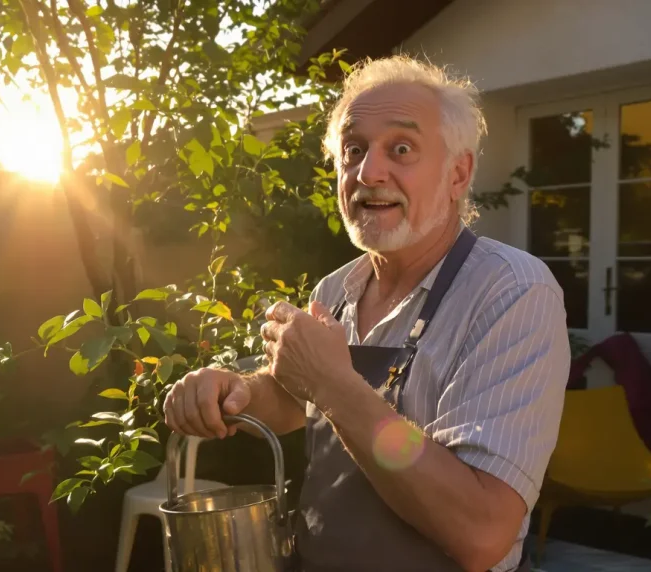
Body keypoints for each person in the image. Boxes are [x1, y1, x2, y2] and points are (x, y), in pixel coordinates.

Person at [162, 54, 571, 572]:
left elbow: (482, 531)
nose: (368, 171)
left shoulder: (511, 292)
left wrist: (336, 386)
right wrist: (235, 390)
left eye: (401, 149)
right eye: (353, 150)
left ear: (457, 173)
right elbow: (295, 400)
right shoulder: (337, 288)